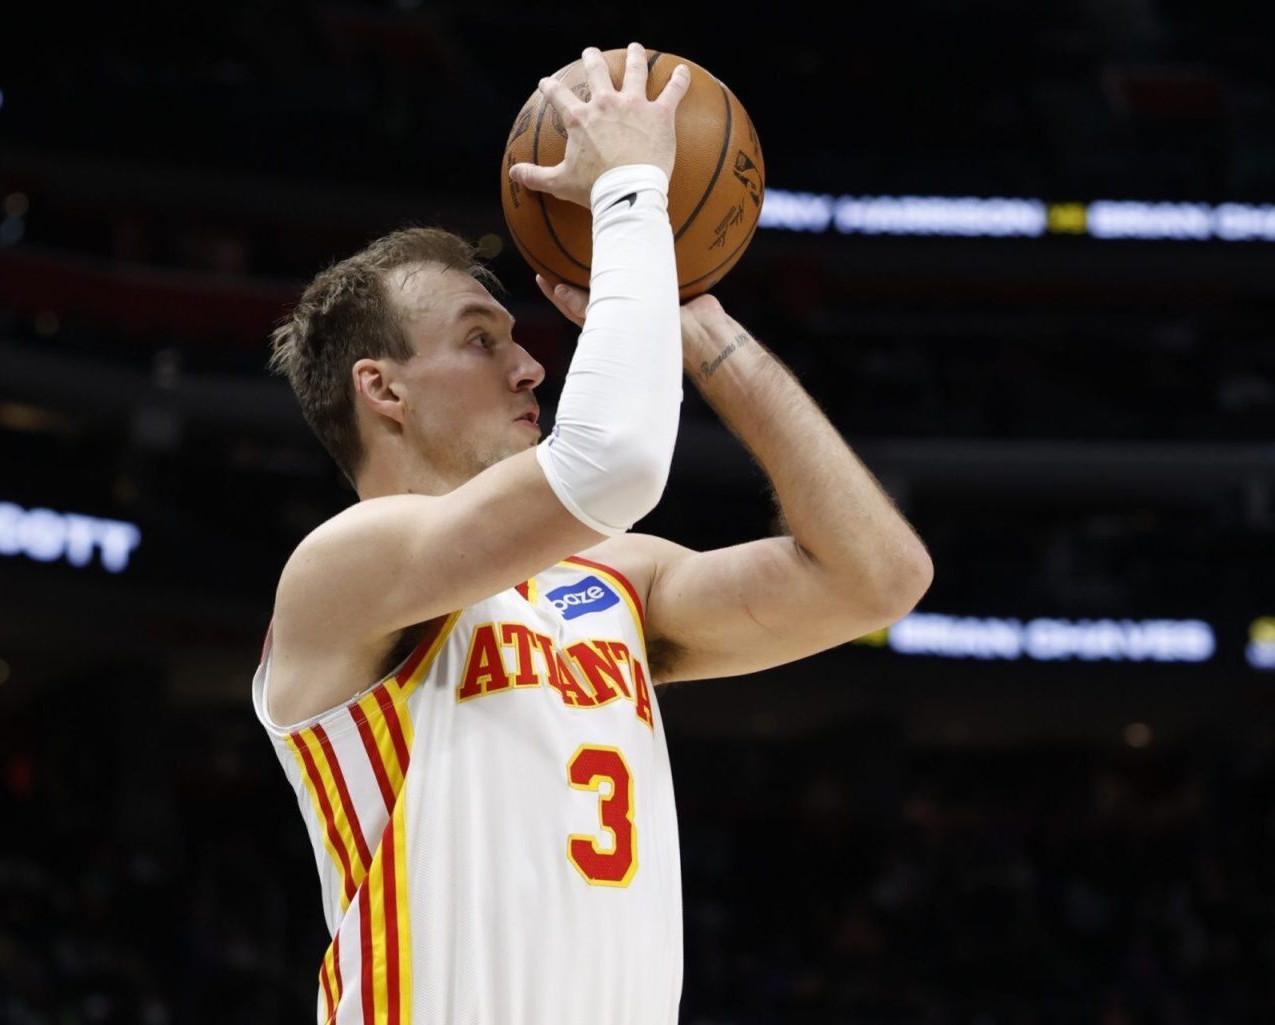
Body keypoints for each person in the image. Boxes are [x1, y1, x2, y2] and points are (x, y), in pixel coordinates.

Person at [252, 42, 932, 1025]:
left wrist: (697, 320)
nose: (530, 365)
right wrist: (627, 201)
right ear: (382, 387)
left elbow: (879, 575)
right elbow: (614, 462)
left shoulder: (616, 580)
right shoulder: (345, 570)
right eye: (482, 339)